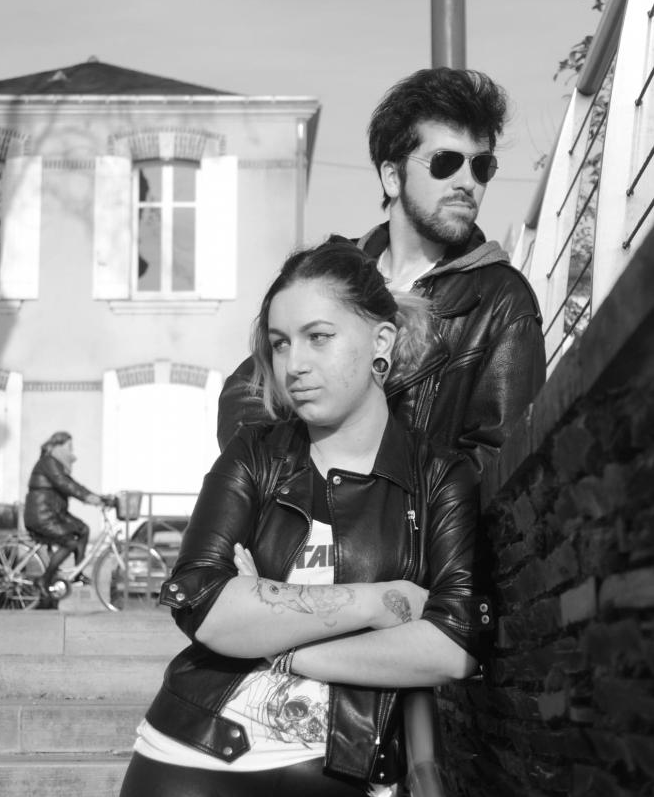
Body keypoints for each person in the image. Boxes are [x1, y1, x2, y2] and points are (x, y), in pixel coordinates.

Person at [119, 240, 489, 797]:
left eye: (318, 337)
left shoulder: (438, 477)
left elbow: (452, 647)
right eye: (280, 344)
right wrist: (378, 602)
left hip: (337, 766)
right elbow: (204, 606)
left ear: (381, 342)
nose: (294, 365)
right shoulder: (255, 454)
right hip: (186, 750)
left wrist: (278, 642)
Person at [217, 67, 546, 480]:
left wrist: (371, 497)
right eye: (445, 162)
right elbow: (246, 396)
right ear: (392, 176)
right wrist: (301, 487)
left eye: (482, 166)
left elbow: (498, 467)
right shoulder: (332, 272)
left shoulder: (501, 301)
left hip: (414, 523)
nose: (467, 182)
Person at [23, 431, 107, 602]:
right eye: (69, 446)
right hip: (42, 515)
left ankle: (78, 573)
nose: (71, 451)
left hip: (54, 513)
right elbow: (65, 484)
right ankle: (44, 580)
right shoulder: (48, 462)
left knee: (83, 529)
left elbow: (72, 483)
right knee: (69, 542)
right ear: (58, 446)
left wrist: (96, 497)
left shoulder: (56, 463)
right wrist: (89, 498)